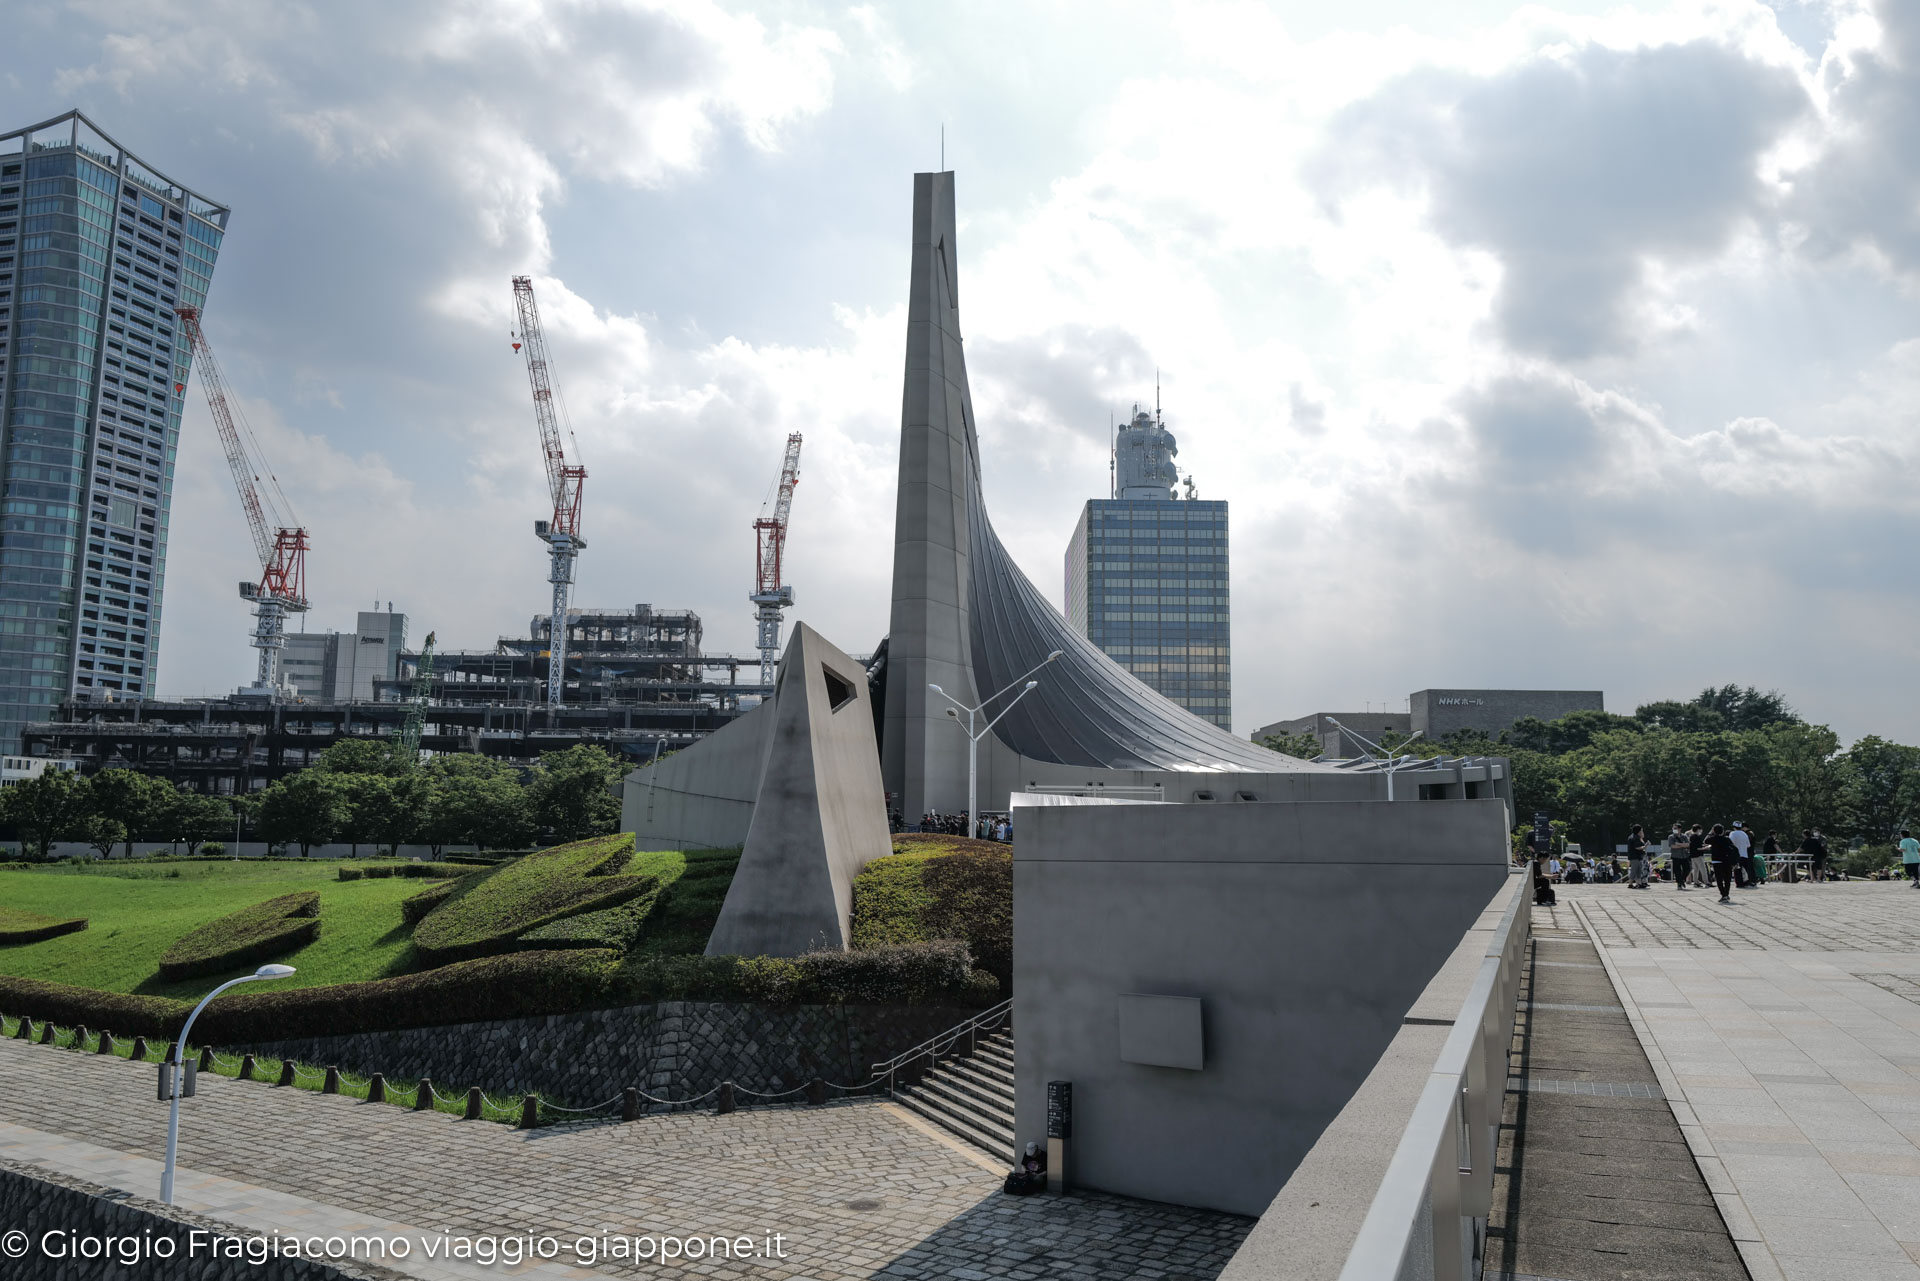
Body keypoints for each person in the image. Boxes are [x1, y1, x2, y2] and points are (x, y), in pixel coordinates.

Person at [1706, 823, 1740, 904]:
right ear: (1723, 831)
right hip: (1727, 860)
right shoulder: (1727, 839)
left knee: (1719, 879)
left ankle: (1723, 894)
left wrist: (1711, 832)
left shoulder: (1713, 839)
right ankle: (1726, 894)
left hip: (1716, 860)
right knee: (1727, 878)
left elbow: (1705, 841)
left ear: (1714, 831)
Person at [1729, 821, 1756, 888]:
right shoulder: (1744, 834)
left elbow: (1730, 843)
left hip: (1736, 855)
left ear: (1734, 827)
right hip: (1744, 854)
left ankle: (1739, 883)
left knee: (1737, 870)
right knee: (1747, 869)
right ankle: (1750, 881)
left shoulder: (1732, 833)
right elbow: (1748, 845)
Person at [1668, 824, 1692, 891]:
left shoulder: (1684, 836)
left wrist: (1679, 844)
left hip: (1684, 855)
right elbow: (1672, 846)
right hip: (1675, 856)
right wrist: (1682, 845)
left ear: (1680, 829)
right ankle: (1679, 883)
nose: (1674, 829)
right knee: (1677, 871)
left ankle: (1682, 880)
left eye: (1676, 828)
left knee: (1687, 868)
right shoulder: (1671, 837)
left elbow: (1688, 844)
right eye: (1673, 828)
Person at [1626, 825, 1650, 889]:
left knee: (1638, 870)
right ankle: (1630, 884)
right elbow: (1637, 847)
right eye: (1641, 830)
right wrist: (1645, 846)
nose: (1642, 831)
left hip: (1636, 856)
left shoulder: (1632, 836)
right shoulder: (1635, 838)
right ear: (1638, 831)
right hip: (1635, 856)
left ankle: (1638, 883)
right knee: (1634, 870)